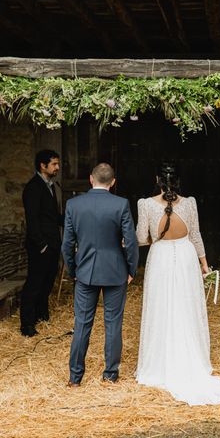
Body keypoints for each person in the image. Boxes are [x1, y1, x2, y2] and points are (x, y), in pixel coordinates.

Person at [135, 163, 220, 406]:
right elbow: (196, 236)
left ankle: (159, 363)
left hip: (159, 257)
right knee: (185, 307)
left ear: (157, 179)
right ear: (178, 181)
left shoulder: (145, 204)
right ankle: (190, 359)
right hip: (186, 256)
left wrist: (153, 236)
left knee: (161, 307)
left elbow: (141, 238)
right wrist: (204, 265)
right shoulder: (190, 203)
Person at [62, 163, 138, 386]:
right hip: (116, 271)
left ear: (90, 179)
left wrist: (72, 270)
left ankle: (75, 378)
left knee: (82, 324)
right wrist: (131, 269)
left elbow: (67, 243)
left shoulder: (74, 204)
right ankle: (110, 375)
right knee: (113, 324)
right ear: (113, 182)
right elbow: (131, 241)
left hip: (85, 272)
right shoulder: (121, 204)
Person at [20, 149, 63, 337]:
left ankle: (41, 314)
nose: (57, 167)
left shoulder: (51, 186)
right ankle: (27, 325)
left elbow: (51, 216)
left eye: (57, 164)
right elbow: (33, 220)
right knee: (34, 283)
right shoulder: (33, 187)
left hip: (53, 244)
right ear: (42, 166)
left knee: (47, 281)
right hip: (41, 245)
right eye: (54, 164)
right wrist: (41, 244)